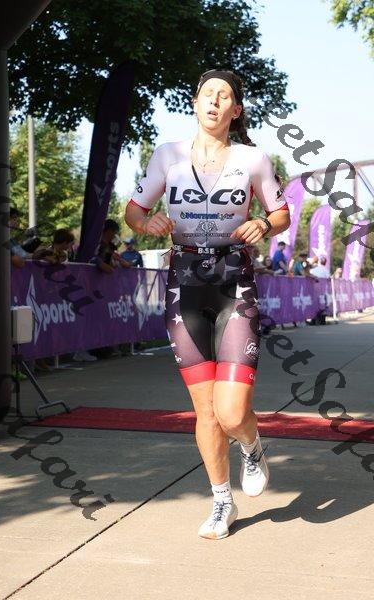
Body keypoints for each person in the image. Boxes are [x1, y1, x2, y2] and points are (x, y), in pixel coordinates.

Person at [124, 68, 290, 540]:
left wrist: (265, 224)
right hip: (185, 285)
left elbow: (280, 212)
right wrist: (146, 223)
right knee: (207, 411)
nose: (214, 101)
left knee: (233, 412)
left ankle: (251, 446)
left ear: (236, 110)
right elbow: (133, 210)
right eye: (207, 94)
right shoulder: (167, 155)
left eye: (224, 96)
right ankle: (221, 501)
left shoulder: (253, 158)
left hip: (234, 283)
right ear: (195, 104)